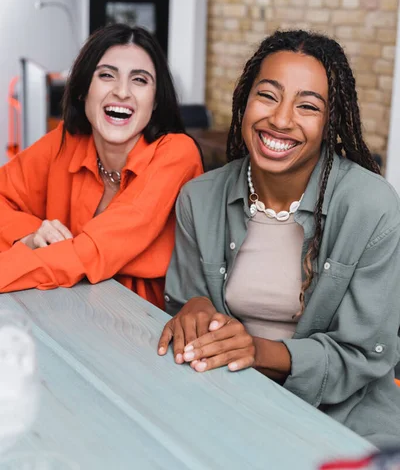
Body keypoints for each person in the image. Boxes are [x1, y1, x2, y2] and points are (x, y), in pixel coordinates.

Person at [158, 29, 400, 447]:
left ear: (330, 123)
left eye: (307, 106)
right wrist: (193, 308)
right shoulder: (199, 198)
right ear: (244, 100)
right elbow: (183, 304)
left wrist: (257, 351)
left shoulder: (372, 207)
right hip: (227, 401)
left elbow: (365, 355)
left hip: (346, 417)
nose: (281, 119)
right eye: (268, 96)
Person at [0, 24, 203, 308]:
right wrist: (32, 236)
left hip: (143, 321)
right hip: (64, 303)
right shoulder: (66, 140)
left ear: (155, 101)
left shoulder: (176, 154)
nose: (122, 92)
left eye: (140, 80)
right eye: (107, 75)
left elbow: (92, 252)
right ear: (84, 90)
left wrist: (9, 268)